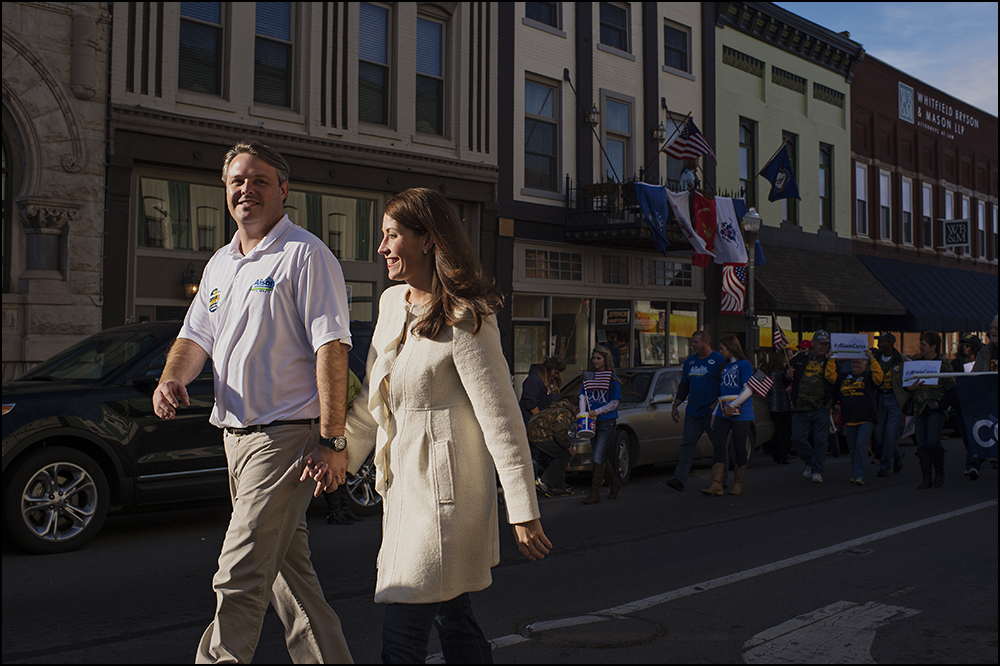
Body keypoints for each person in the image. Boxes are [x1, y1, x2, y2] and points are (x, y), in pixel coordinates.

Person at [327, 187, 550, 664]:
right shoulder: (390, 304)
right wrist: (339, 456)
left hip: (445, 499)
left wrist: (523, 508)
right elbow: (371, 400)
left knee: (402, 632)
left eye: (392, 235)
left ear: (427, 239)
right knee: (455, 618)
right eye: (382, 236)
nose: (383, 247)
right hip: (402, 489)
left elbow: (502, 419)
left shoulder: (466, 316)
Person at [153, 140, 354, 663]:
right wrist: (173, 378)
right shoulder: (220, 263)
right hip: (234, 438)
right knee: (292, 581)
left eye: (259, 180)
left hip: (285, 437)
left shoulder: (306, 255)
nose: (247, 190)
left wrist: (333, 440)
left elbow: (332, 348)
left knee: (238, 573)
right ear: (226, 193)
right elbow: (194, 338)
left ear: (283, 190)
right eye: (237, 181)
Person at [668, 331, 724, 491]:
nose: (693, 345)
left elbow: (725, 385)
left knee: (719, 446)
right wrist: (675, 405)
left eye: (696, 342)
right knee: (687, 444)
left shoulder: (718, 360)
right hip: (693, 410)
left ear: (706, 343)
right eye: (693, 342)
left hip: (711, 410)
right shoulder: (689, 362)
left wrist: (716, 404)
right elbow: (684, 386)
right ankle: (679, 479)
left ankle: (721, 479)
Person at [704, 335, 755, 496]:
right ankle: (716, 483)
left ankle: (738, 483)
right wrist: (714, 413)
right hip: (722, 410)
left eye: (722, 349)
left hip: (741, 412)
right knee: (718, 445)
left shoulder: (744, 365)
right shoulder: (725, 366)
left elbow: (749, 389)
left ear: (731, 348)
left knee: (739, 447)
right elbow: (722, 391)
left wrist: (733, 405)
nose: (720, 351)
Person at [905, 331, 957, 489]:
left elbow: (952, 390)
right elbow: (907, 384)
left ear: (933, 347)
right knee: (921, 445)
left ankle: (939, 471)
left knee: (932, 441)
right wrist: (911, 387)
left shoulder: (944, 364)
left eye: (923, 344)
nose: (920, 347)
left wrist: (940, 405)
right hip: (919, 408)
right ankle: (926, 476)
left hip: (935, 409)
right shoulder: (916, 362)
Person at [825, 349, 883, 485]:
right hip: (849, 418)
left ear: (864, 364)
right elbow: (829, 376)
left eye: (858, 362)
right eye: (853, 362)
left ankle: (860, 475)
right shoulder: (843, 376)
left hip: (866, 418)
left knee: (861, 445)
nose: (855, 365)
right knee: (852, 448)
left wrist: (872, 360)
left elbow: (879, 378)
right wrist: (831, 359)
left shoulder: (869, 377)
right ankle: (855, 473)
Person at [787, 330, 834, 483]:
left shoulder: (830, 360)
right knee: (797, 439)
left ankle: (817, 471)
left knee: (821, 440)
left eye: (826, 344)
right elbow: (785, 378)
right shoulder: (800, 359)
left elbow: (836, 380)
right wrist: (787, 375)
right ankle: (810, 461)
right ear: (813, 343)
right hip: (800, 407)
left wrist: (832, 400)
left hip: (821, 407)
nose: (823, 347)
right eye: (821, 344)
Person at [580, 345, 624, 504]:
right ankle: (615, 483)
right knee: (599, 456)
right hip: (591, 422)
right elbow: (583, 396)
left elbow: (614, 403)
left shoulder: (611, 378)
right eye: (594, 358)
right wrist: (583, 413)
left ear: (605, 359)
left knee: (598, 455)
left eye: (599, 358)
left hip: (607, 422)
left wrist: (597, 412)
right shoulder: (589, 376)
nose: (596, 361)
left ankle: (595, 493)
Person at [870, 333, 907, 477]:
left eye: (883, 341)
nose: (879, 344)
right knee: (880, 434)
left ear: (891, 343)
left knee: (891, 434)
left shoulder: (901, 360)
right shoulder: (875, 358)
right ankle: (897, 454)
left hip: (894, 398)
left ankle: (885, 466)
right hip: (880, 397)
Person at [526, 399, 577, 497]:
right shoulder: (566, 413)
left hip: (533, 433)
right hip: (540, 435)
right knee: (563, 455)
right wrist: (569, 448)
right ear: (576, 409)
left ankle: (559, 487)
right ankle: (545, 482)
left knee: (560, 455)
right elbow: (560, 434)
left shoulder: (556, 409)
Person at [954, 333, 984, 480]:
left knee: (978, 434)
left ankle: (973, 464)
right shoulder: (957, 362)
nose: (965, 348)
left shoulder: (983, 360)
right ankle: (975, 458)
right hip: (962, 404)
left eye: (969, 345)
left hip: (979, 404)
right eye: (963, 345)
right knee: (966, 436)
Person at [762, 350, 793, 465]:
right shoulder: (783, 373)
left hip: (773, 406)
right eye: (784, 361)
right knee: (785, 432)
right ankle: (782, 455)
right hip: (785, 405)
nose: (785, 363)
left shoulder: (767, 373)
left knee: (777, 432)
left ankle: (778, 454)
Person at [519, 355, 566, 423]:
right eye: (555, 372)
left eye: (558, 373)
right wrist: (543, 418)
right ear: (548, 368)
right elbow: (530, 403)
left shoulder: (552, 380)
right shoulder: (534, 379)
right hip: (533, 422)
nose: (556, 376)